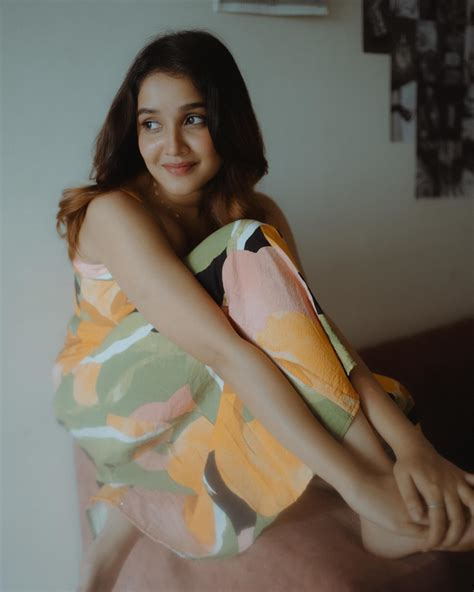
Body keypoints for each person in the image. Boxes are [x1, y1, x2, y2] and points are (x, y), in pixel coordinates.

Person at [52, 29, 474, 592]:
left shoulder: (257, 212)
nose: (171, 145)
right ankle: (379, 503)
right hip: (108, 397)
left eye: (193, 119)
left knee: (308, 335)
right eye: (151, 123)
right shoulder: (115, 212)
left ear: (227, 122)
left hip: (204, 377)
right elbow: (222, 350)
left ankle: (396, 501)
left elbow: (313, 335)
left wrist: (414, 448)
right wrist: (358, 485)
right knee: (246, 252)